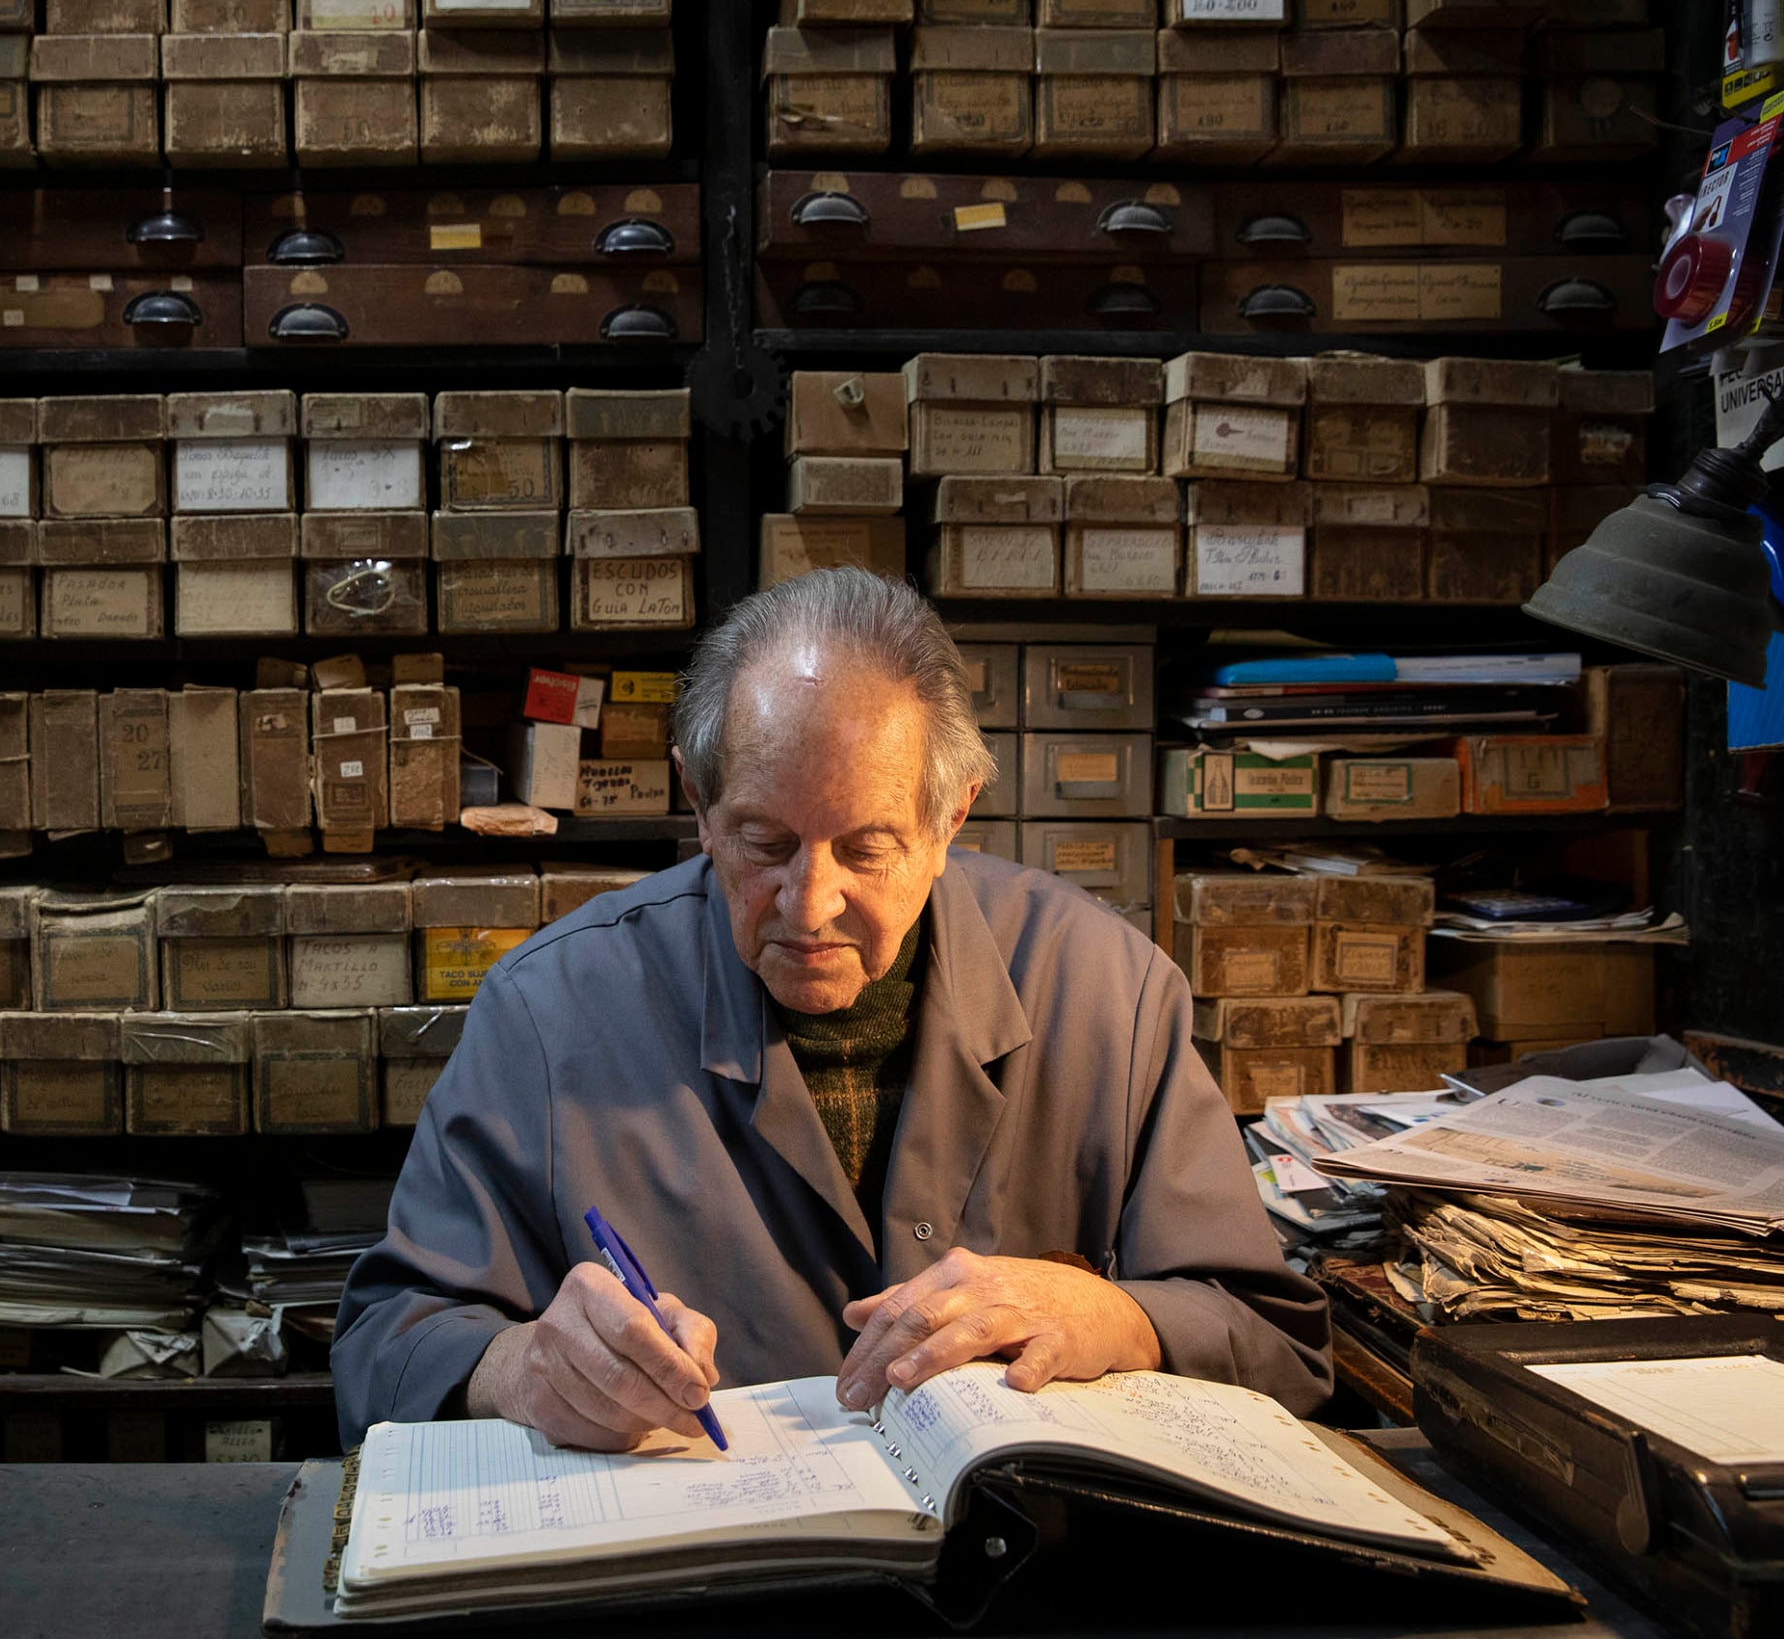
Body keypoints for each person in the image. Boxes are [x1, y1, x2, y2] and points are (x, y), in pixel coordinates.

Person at [331, 567, 1330, 1450]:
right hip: (707, 1587)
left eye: (866, 848)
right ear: (698, 801)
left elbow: (1273, 1343)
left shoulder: (1107, 992)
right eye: (764, 843)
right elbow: (386, 1343)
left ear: (953, 817)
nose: (809, 907)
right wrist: (518, 1369)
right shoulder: (551, 1010)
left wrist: (1108, 1312)